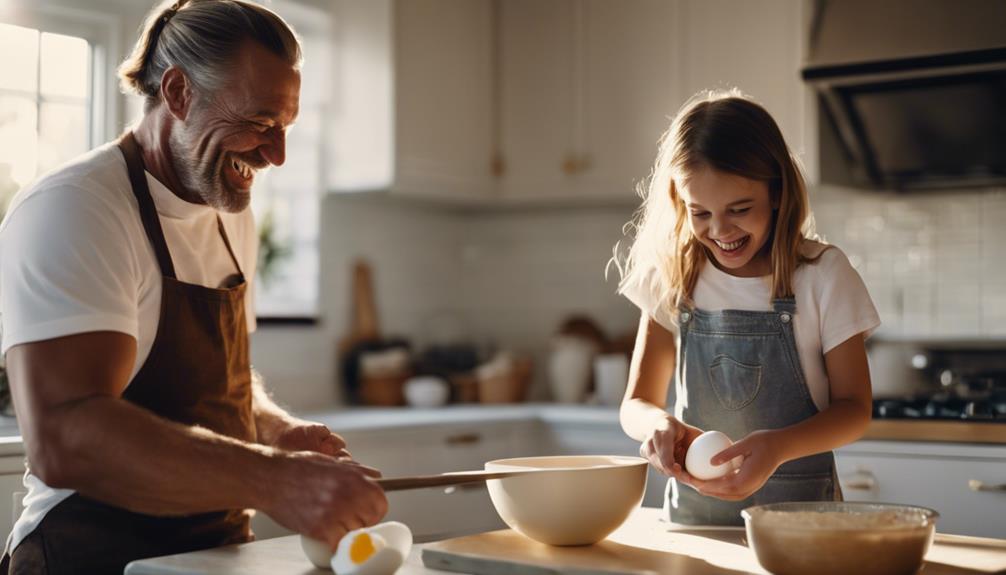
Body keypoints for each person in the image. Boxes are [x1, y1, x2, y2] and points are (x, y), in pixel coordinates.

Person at [0, 1, 387, 572]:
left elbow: (215, 387)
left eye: (283, 128)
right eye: (259, 122)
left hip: (214, 556)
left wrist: (277, 433)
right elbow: (65, 434)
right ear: (179, 93)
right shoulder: (78, 208)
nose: (276, 155)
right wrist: (277, 480)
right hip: (89, 556)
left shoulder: (231, 216)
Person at [615, 89, 879, 526]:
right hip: (696, 525)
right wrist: (655, 427)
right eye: (700, 213)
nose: (720, 230)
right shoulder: (671, 274)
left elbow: (854, 409)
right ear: (680, 203)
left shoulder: (822, 274)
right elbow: (636, 402)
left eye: (740, 209)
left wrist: (778, 447)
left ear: (777, 192)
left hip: (802, 527)